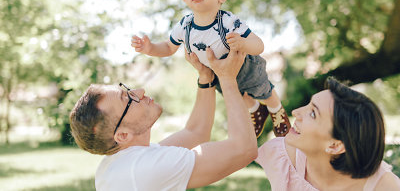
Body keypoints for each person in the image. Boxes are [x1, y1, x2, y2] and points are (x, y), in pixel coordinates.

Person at [131, 0, 291, 138]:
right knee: (241, 98)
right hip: (219, 75)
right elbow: (168, 47)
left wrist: (243, 43)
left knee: (264, 91)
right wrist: (150, 48)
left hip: (246, 69)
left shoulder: (229, 21)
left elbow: (259, 45)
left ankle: (276, 110)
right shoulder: (185, 25)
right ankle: (257, 111)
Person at [69, 48, 258, 191]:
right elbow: (244, 150)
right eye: (127, 99)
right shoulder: (143, 169)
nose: (139, 91)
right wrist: (227, 78)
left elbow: (195, 133)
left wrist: (206, 77)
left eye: (126, 90)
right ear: (123, 134)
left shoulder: (121, 161)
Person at [256, 77, 400, 191]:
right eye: (309, 104)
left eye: (313, 113)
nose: (296, 112)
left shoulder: (383, 186)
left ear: (335, 145)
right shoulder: (285, 159)